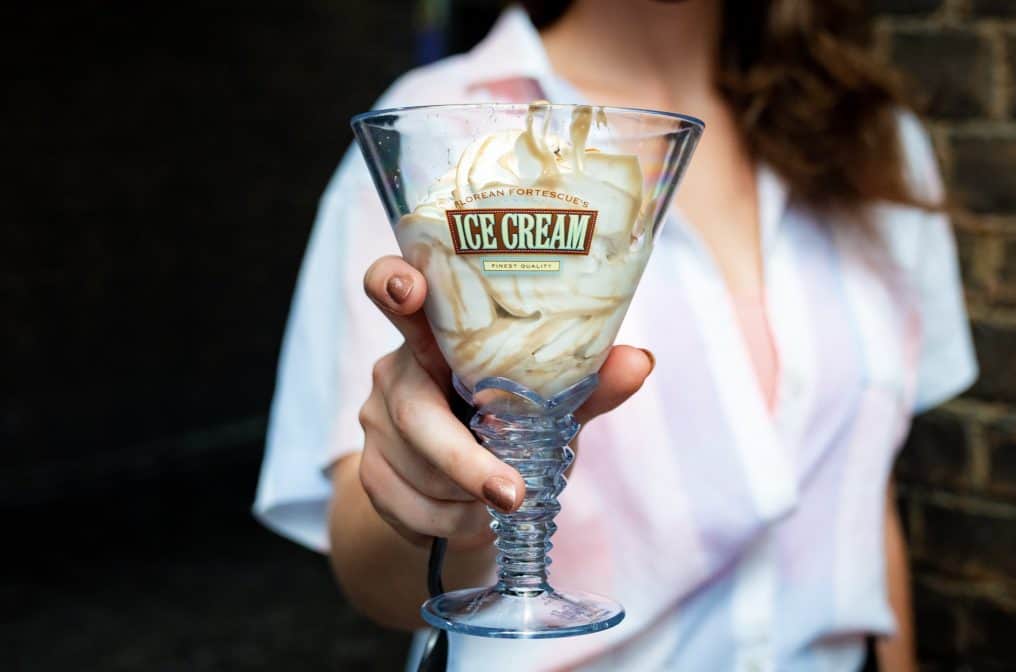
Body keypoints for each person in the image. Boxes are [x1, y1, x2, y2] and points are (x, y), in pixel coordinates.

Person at [253, 1, 977, 670]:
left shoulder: (874, 141)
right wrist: (440, 500)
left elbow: (865, 498)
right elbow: (371, 570)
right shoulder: (434, 126)